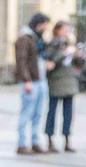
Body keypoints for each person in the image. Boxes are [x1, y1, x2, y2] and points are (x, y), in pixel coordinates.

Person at [14, 13, 51, 155]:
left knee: (37, 114)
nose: (46, 28)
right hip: (31, 82)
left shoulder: (37, 38)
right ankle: (22, 144)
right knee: (26, 113)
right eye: (45, 25)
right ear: (39, 23)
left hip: (40, 80)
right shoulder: (25, 38)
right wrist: (26, 80)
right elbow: (21, 61)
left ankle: (35, 142)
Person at [43, 20, 81, 153]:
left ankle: (67, 140)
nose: (67, 32)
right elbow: (50, 63)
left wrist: (77, 54)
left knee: (68, 114)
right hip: (56, 82)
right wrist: (64, 53)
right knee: (52, 112)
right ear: (57, 30)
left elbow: (79, 64)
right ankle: (50, 140)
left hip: (69, 82)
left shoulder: (70, 44)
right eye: (65, 29)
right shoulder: (52, 44)